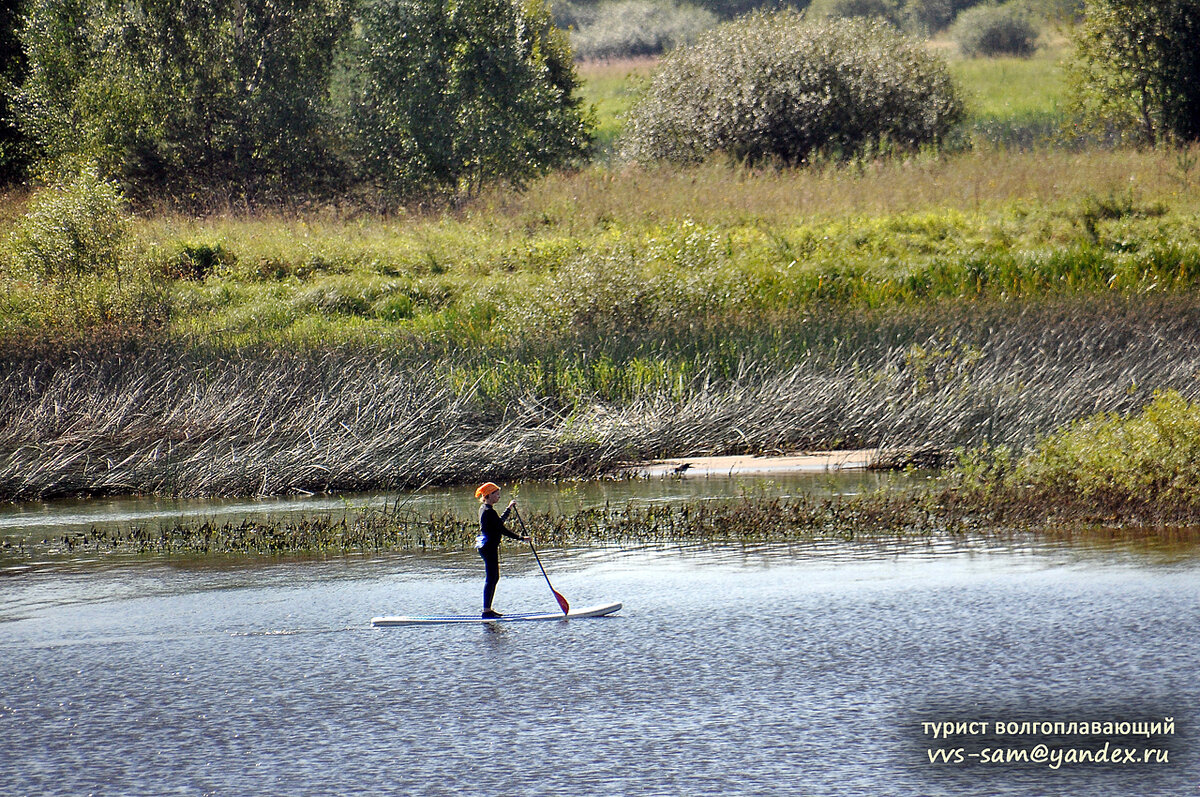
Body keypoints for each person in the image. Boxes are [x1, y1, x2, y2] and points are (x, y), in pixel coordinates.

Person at [474, 482, 528, 619]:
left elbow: (498, 523)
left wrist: (508, 508)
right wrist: (521, 538)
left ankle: (487, 609)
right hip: (488, 547)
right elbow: (501, 529)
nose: (498, 496)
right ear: (488, 495)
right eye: (496, 494)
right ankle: (486, 611)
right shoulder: (488, 511)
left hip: (487, 546)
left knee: (493, 577)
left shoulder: (485, 508)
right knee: (492, 577)